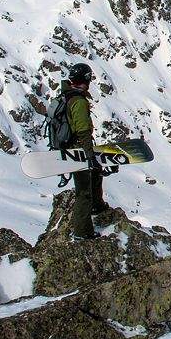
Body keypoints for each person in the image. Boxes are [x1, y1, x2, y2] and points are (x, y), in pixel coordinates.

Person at [59, 63, 111, 238]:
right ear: (87, 79)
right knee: (83, 192)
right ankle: (82, 232)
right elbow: (82, 130)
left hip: (71, 147)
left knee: (96, 173)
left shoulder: (66, 96)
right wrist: (89, 155)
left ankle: (98, 205)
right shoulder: (78, 101)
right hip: (78, 151)